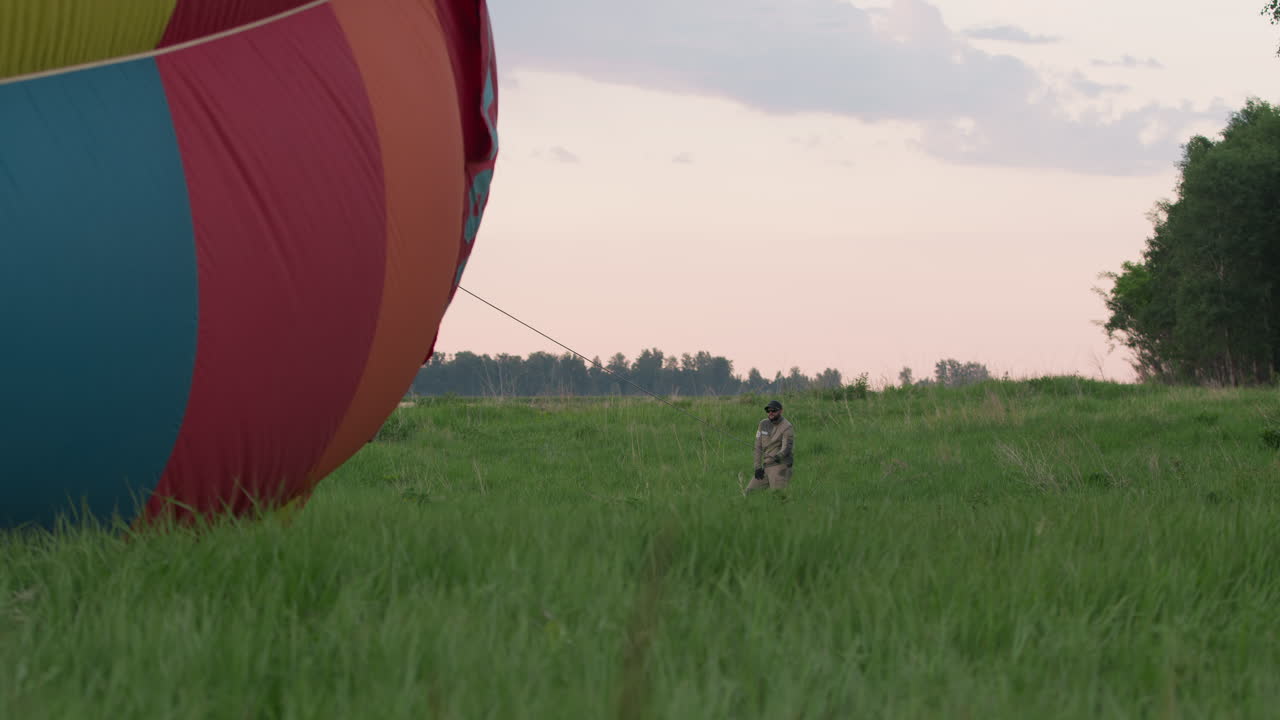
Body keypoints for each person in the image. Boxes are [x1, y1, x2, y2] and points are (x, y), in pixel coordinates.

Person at [747, 399, 794, 493]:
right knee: (749, 493)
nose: (770, 412)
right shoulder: (763, 424)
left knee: (778, 497)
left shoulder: (787, 426)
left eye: (774, 410)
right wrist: (757, 467)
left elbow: (787, 447)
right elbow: (757, 447)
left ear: (781, 411)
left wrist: (779, 456)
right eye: (768, 410)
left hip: (780, 465)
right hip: (765, 467)